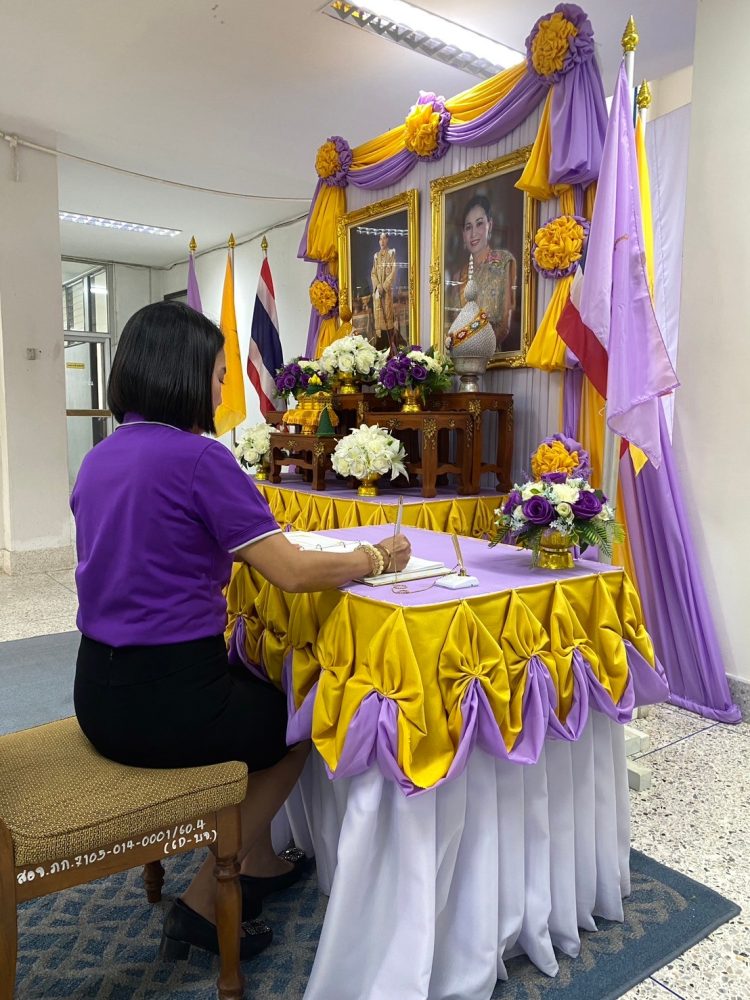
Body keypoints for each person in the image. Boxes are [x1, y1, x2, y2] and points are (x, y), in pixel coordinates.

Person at [70, 301, 411, 962]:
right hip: (166, 702)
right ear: (183, 374)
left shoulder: (99, 458)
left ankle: (256, 859)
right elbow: (291, 572)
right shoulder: (199, 458)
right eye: (219, 374)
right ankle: (206, 898)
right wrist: (374, 558)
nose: (224, 390)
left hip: (96, 692)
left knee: (254, 682)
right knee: (301, 721)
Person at [451, 194, 517, 350]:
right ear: (463, 235)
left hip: (493, 356)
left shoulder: (503, 262)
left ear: (490, 225)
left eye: (479, 224)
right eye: (468, 227)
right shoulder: (458, 276)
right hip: (461, 358)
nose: (473, 233)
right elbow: (454, 330)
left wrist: (479, 351)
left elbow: (504, 324)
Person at [370, 232, 398, 353]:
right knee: (379, 318)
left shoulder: (391, 254)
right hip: (378, 293)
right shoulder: (376, 256)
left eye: (384, 238)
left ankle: (390, 346)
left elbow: (393, 272)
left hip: (386, 293)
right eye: (380, 239)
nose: (382, 241)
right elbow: (373, 273)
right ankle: (380, 347)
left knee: (387, 318)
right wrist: (377, 286)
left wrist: (384, 286)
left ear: (387, 240)